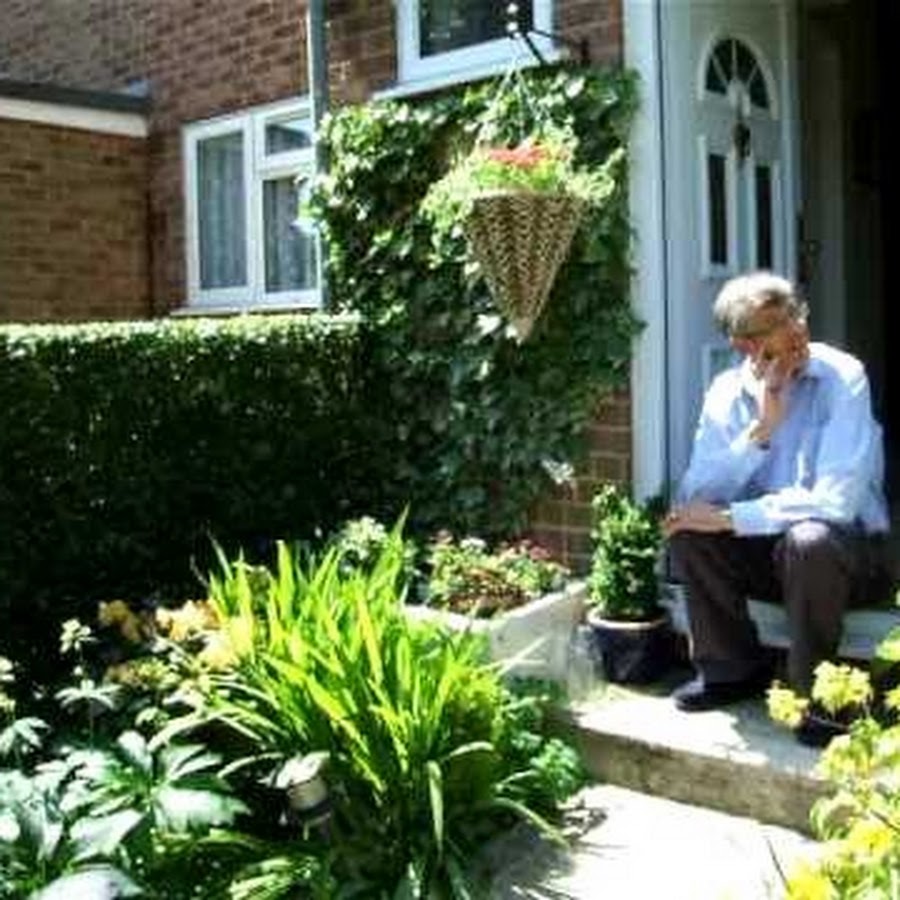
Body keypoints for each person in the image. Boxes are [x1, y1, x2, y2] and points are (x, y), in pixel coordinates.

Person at [664, 271, 890, 741]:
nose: (798, 328)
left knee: (808, 541)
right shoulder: (726, 392)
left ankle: (820, 699)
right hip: (771, 551)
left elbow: (837, 502)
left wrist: (730, 518)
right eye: (778, 324)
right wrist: (760, 433)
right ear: (746, 345)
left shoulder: (842, 376)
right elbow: (696, 492)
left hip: (852, 554)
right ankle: (731, 670)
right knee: (688, 530)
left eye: (795, 314)